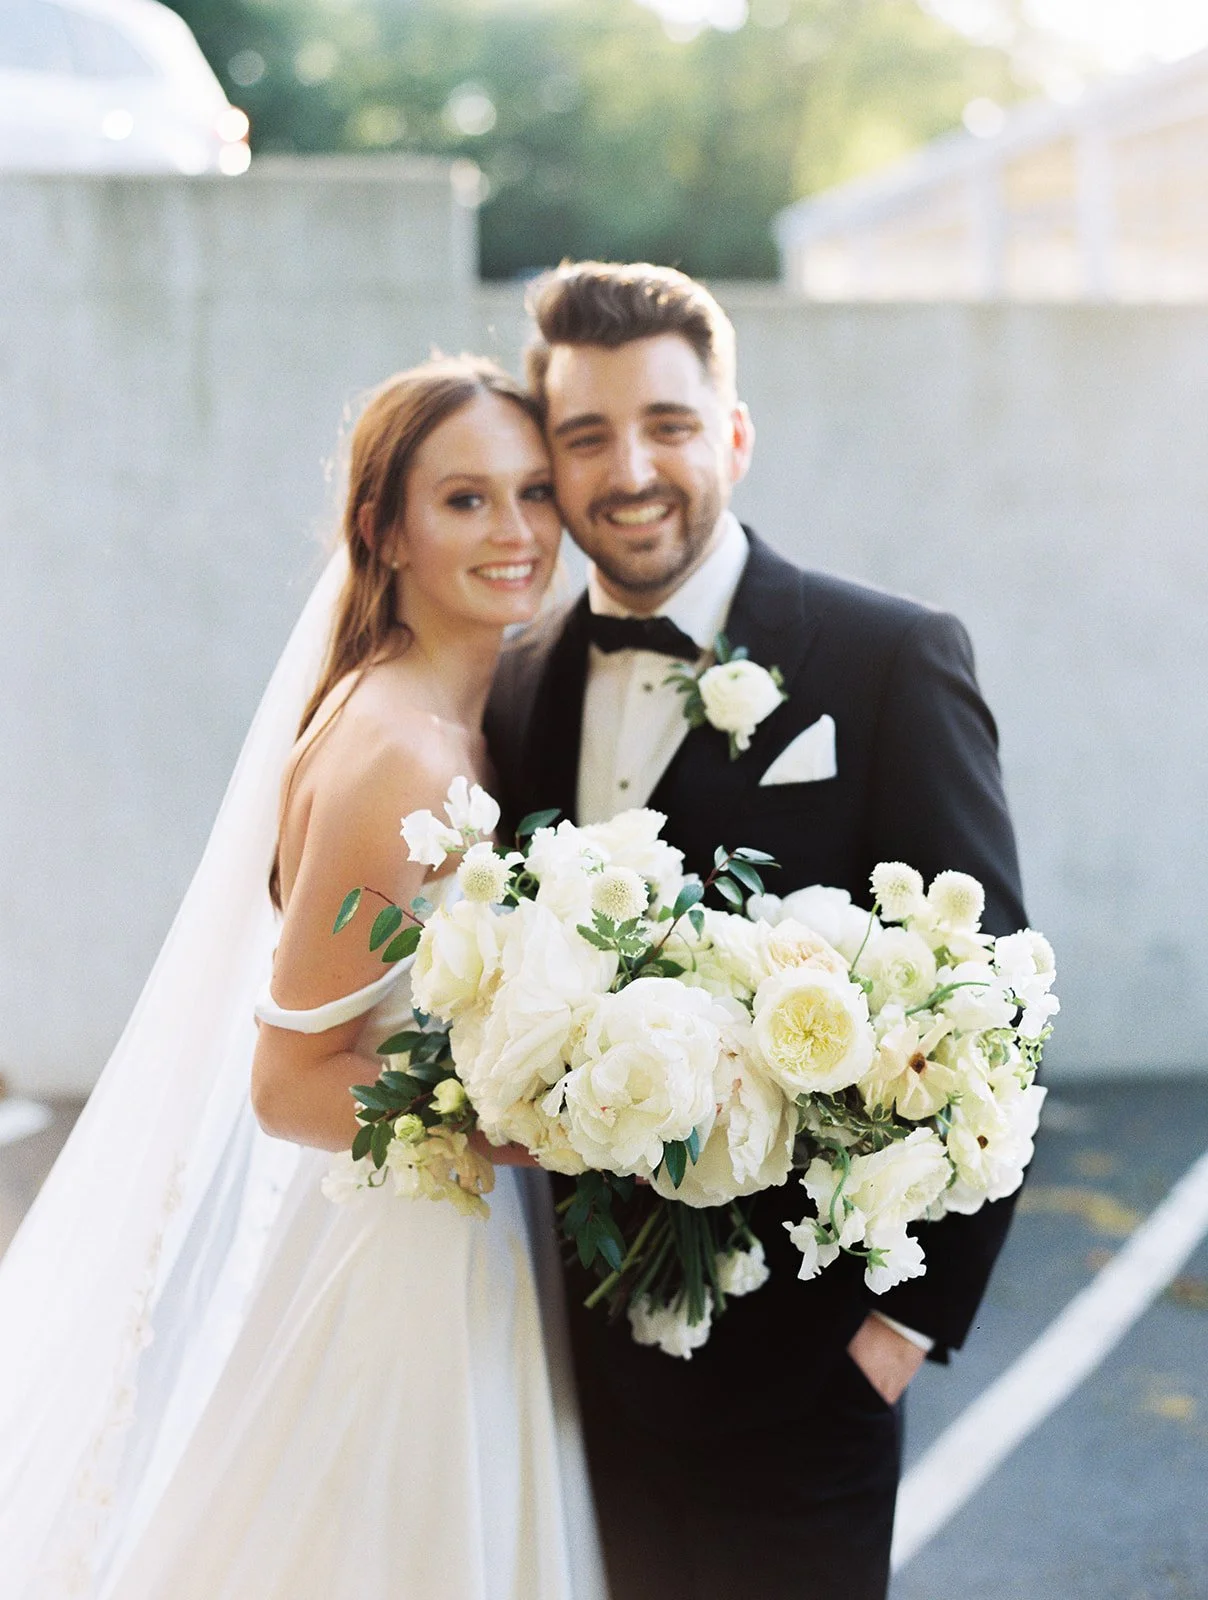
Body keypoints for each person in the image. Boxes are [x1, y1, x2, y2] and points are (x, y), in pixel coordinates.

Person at [0, 356, 607, 1600]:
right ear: (382, 531)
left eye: (533, 491)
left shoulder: (471, 716)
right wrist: (534, 1106)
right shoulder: (394, 752)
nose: (515, 531)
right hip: (408, 1267)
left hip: (470, 1228)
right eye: (465, 501)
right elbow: (289, 1083)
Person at [485, 262, 1028, 1600]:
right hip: (575, 1364)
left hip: (807, 1372)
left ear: (732, 432)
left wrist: (899, 1331)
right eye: (587, 434)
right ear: (551, 468)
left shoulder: (887, 659)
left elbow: (991, 1009)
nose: (632, 467)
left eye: (667, 423)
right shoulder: (513, 687)